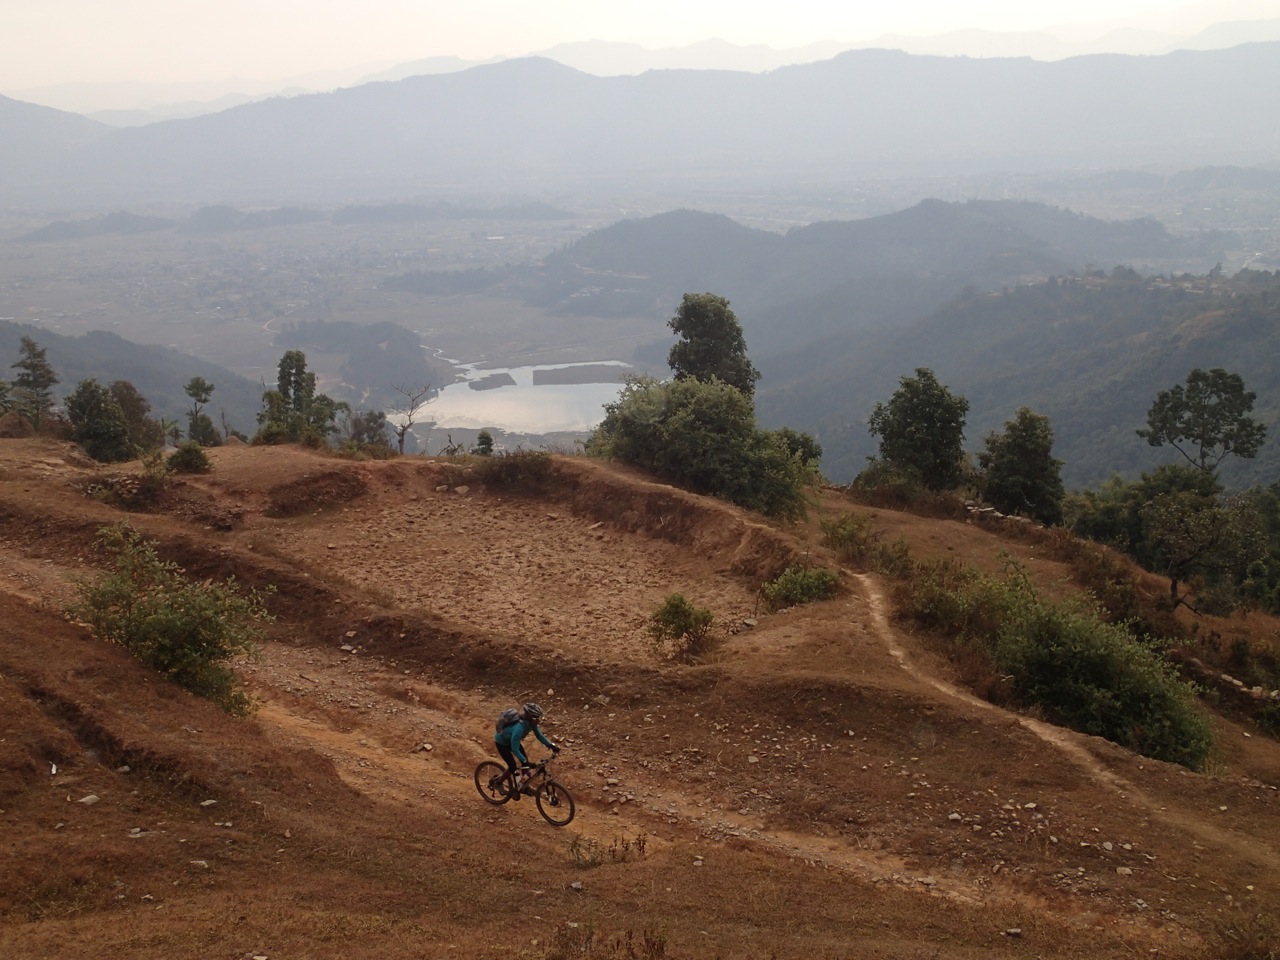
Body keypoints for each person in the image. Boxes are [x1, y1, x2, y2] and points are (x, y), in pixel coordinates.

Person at [494, 702, 559, 800]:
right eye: (537, 719)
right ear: (530, 718)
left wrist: (551, 745)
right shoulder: (519, 728)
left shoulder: (531, 724)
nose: (539, 721)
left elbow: (539, 735)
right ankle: (498, 783)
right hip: (502, 743)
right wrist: (525, 761)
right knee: (513, 766)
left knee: (525, 764)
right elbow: (515, 749)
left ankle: (523, 785)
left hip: (512, 742)